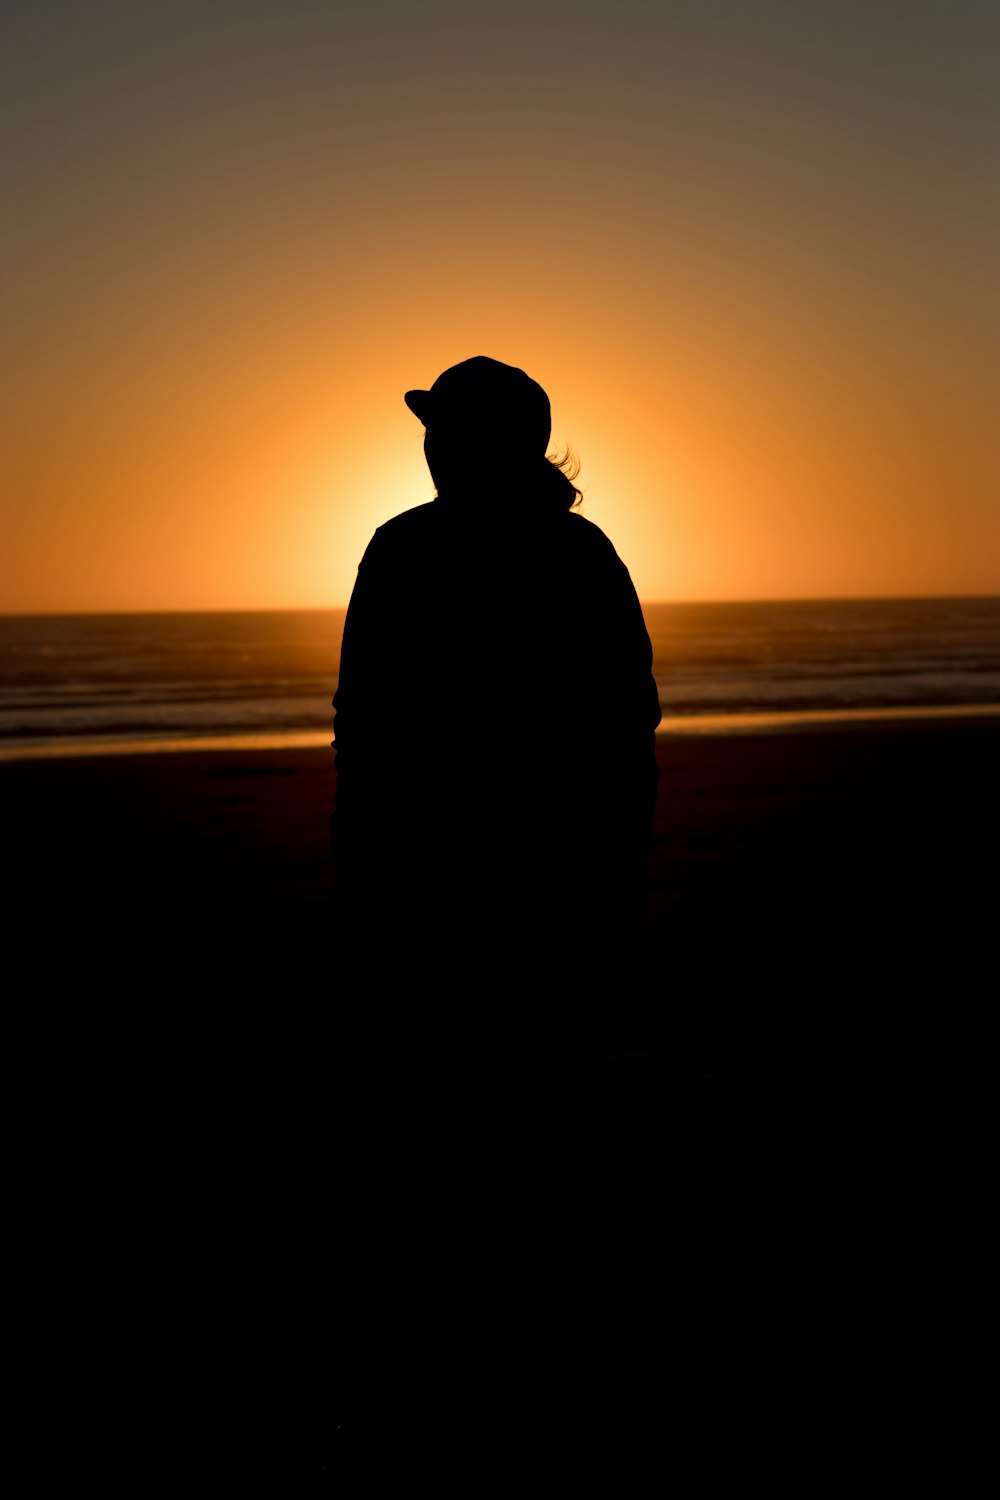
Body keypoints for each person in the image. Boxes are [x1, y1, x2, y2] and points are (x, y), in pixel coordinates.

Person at [332, 356, 660, 1031]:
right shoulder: (580, 551)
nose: (434, 448)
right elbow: (630, 716)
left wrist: (360, 848)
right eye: (432, 431)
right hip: (533, 863)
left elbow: (363, 719)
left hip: (487, 864)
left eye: (447, 432)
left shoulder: (404, 549)